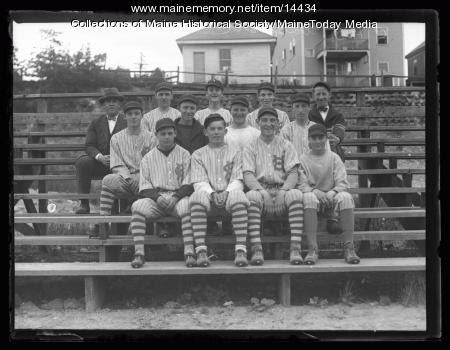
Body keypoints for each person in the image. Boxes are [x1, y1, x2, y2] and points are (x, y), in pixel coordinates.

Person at [243, 107, 305, 265]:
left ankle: (295, 248)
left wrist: (284, 190)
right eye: (264, 120)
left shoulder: (286, 144)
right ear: (258, 123)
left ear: (278, 123)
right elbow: (248, 174)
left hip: (282, 188)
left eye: (272, 120)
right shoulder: (250, 146)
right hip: (261, 188)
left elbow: (293, 172)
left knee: (296, 195)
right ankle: (257, 249)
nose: (268, 124)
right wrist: (262, 192)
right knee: (251, 196)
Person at [129, 118, 194, 268]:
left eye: (170, 133)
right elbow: (144, 185)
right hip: (156, 198)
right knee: (138, 207)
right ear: (156, 135)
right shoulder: (148, 158)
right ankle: (139, 253)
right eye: (163, 133)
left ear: (175, 134)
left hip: (178, 197)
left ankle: (189, 252)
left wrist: (177, 196)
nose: (166, 136)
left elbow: (189, 182)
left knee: (188, 208)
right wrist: (157, 198)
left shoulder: (185, 154)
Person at [190, 114, 250, 267]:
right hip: (208, 197)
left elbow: (238, 178)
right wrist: (211, 193)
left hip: (229, 195)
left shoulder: (236, 151)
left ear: (225, 131)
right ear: (205, 132)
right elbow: (199, 180)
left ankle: (240, 250)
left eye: (219, 129)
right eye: (212, 129)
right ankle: (201, 251)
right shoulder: (198, 154)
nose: (216, 132)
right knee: (196, 198)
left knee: (239, 197)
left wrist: (227, 192)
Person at [298, 123, 360, 265]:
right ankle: (313, 249)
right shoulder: (302, 159)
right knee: (308, 197)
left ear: (326, 139)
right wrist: (315, 191)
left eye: (321, 137)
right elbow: (301, 183)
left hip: (332, 196)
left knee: (346, 197)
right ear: (309, 140)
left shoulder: (334, 158)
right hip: (314, 197)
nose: (318, 141)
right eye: (314, 138)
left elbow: (343, 182)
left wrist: (332, 192)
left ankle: (349, 247)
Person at [74, 88, 127, 214]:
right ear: (103, 105)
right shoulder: (96, 123)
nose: (111, 103)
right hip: (102, 163)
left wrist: (118, 159)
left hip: (123, 164)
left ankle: (126, 206)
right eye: (107, 101)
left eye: (114, 101)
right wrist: (100, 157)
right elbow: (89, 145)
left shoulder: (127, 121)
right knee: (83, 162)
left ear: (119, 104)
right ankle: (84, 204)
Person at [99, 101, 156, 217]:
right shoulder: (116, 138)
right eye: (130, 114)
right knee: (108, 180)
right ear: (125, 116)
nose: (133, 116)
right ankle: (102, 221)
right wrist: (128, 177)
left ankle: (135, 207)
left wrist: (141, 176)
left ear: (142, 115)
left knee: (153, 185)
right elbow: (116, 163)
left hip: (145, 179)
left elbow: (153, 163)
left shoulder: (151, 137)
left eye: (136, 113)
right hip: (125, 179)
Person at [281, 93, 330, 157]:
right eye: (297, 106)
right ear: (292, 109)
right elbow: (282, 154)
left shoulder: (318, 129)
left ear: (309, 108)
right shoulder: (286, 130)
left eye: (304, 106)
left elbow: (327, 153)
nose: (300, 110)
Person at [308, 81, 346, 161]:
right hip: (313, 149)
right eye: (318, 94)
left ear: (329, 95)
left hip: (332, 149)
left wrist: (337, 138)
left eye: (324, 94)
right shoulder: (309, 115)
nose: (321, 97)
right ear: (313, 96)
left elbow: (339, 129)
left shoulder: (337, 115)